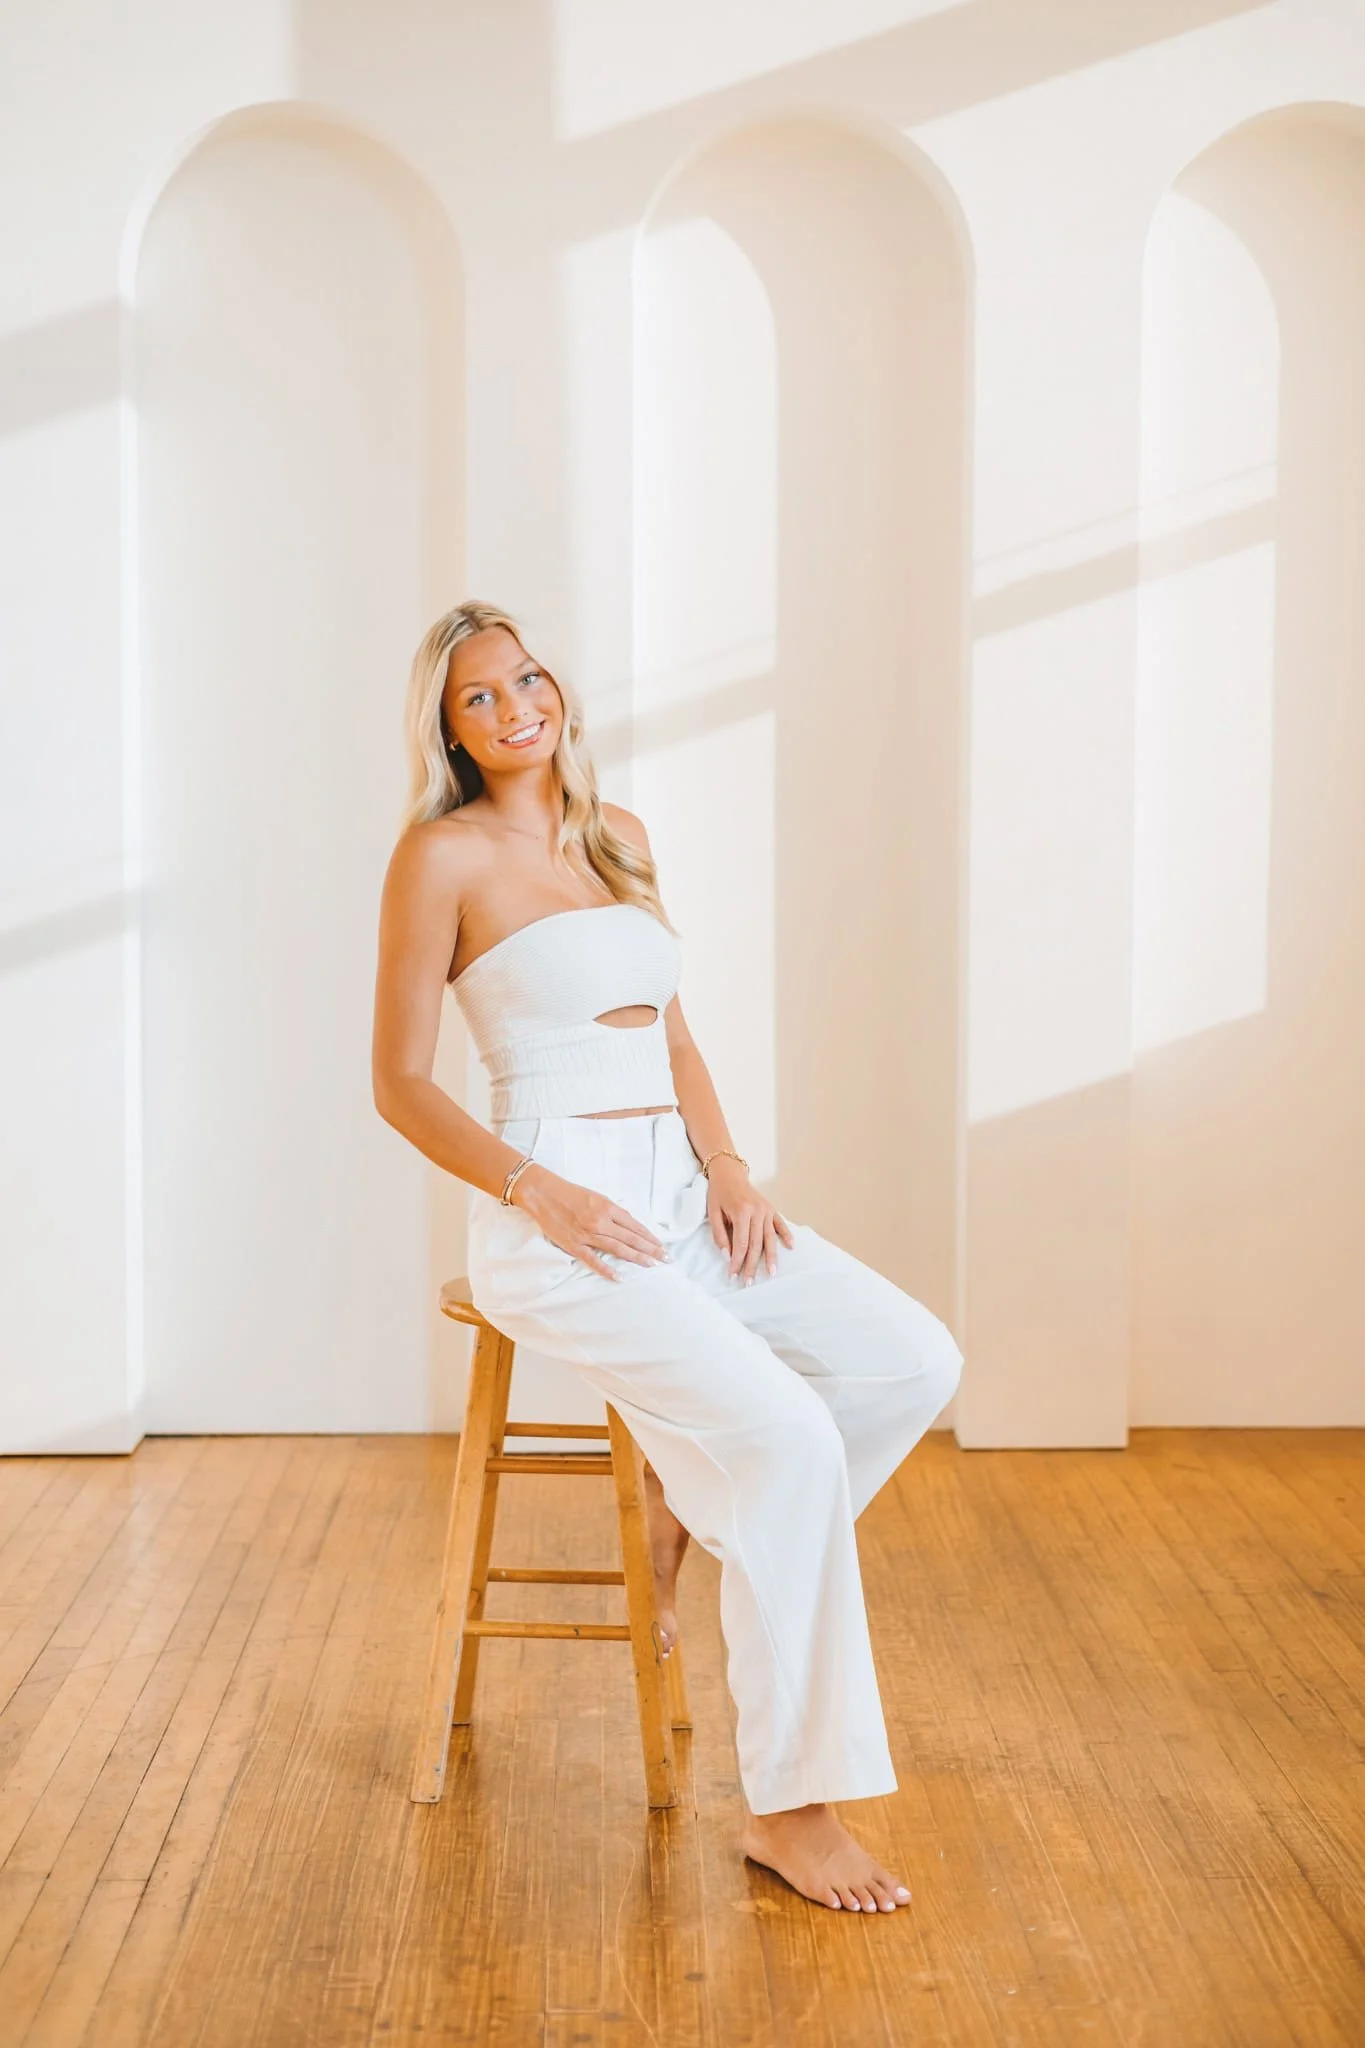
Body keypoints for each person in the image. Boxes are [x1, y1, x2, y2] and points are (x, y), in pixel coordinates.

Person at [372, 601, 963, 1914]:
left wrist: (730, 1168)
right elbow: (399, 1084)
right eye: (479, 697)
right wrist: (540, 1193)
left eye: (526, 677)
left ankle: (691, 1508)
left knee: (914, 1360)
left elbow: (674, 1037)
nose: (515, 706)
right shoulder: (439, 856)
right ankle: (790, 1811)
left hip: (685, 1193)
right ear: (451, 730)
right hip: (559, 1213)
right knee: (789, 1442)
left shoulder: (618, 835)